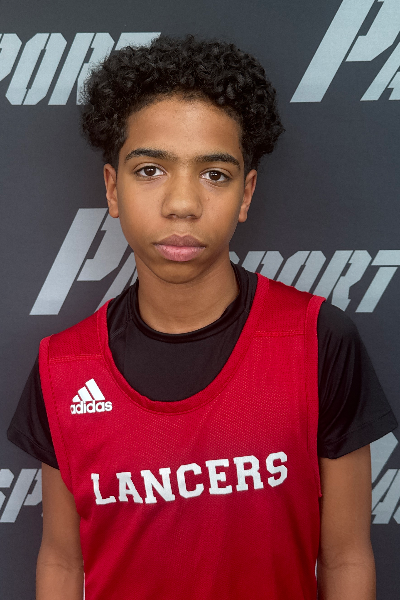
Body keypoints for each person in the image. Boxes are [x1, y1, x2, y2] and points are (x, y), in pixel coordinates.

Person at [7, 34, 397, 600]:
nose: (183, 204)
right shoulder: (63, 368)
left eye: (214, 174)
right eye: (150, 170)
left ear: (246, 193)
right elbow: (63, 564)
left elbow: (346, 559)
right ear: (112, 188)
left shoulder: (317, 340)